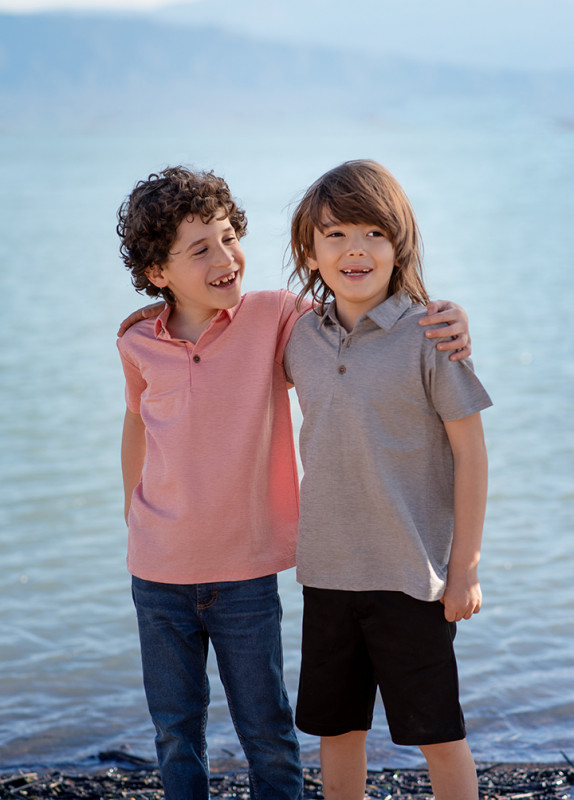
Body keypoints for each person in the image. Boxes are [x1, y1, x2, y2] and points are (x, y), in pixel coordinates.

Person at [116, 165, 472, 799]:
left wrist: (447, 313)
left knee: (270, 730)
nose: (225, 258)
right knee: (176, 729)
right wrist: (131, 510)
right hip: (166, 567)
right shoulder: (140, 340)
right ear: (157, 273)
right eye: (201, 249)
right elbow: (137, 419)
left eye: (229, 237)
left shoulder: (278, 319)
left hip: (254, 569)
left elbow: (357, 316)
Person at [283, 159, 492, 800]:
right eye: (337, 234)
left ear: (398, 244)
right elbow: (222, 331)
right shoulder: (297, 336)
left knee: (437, 734)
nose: (356, 250)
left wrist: (465, 570)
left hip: (413, 579)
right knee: (336, 731)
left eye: (374, 233)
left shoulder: (430, 335)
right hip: (326, 574)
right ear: (309, 252)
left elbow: (473, 457)